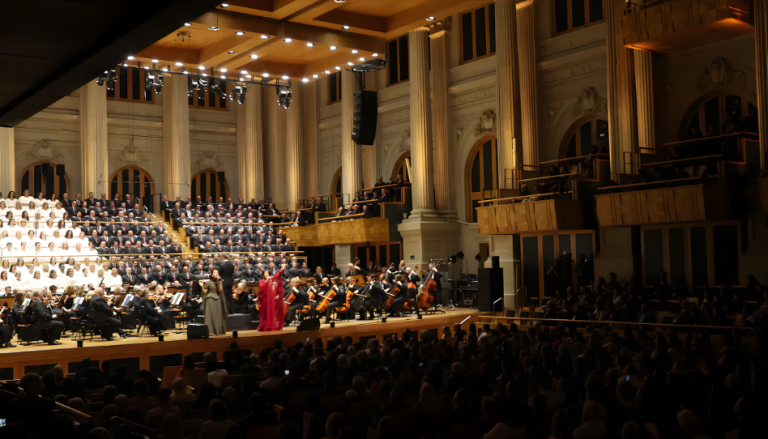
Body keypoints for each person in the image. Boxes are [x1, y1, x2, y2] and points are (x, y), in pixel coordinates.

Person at [257, 266, 286, 331]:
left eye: (267, 273)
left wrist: (281, 270)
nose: (266, 274)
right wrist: (267, 280)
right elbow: (262, 288)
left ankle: (270, 325)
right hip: (264, 300)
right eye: (265, 273)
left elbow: (277, 276)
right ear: (263, 275)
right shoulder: (261, 281)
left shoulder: (271, 280)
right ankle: (264, 326)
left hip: (270, 300)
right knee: (264, 313)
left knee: (271, 313)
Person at [200, 269, 228, 336]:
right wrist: (201, 286)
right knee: (210, 315)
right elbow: (205, 292)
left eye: (217, 272)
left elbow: (219, 290)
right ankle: (210, 331)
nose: (216, 273)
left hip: (217, 299)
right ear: (212, 274)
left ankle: (217, 330)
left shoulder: (220, 281)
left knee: (217, 315)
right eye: (214, 272)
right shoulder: (209, 282)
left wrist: (218, 282)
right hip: (210, 299)